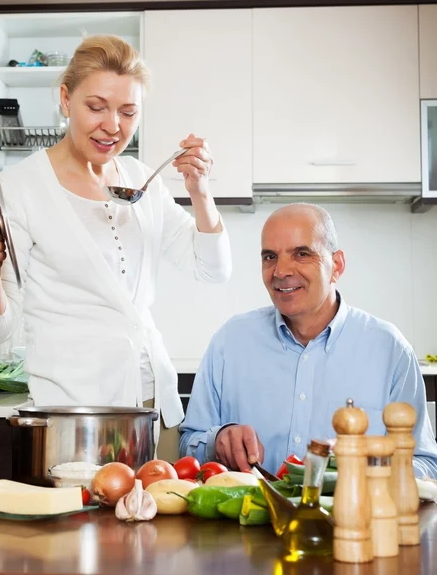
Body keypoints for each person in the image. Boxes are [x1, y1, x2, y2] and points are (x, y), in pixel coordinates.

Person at [0, 34, 231, 461]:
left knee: (153, 526)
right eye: (96, 107)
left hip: (151, 406)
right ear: (66, 99)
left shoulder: (142, 178)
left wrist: (200, 190)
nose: (113, 126)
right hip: (71, 415)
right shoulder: (20, 189)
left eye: (129, 112)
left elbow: (212, 268)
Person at [179, 203, 437, 478]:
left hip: (352, 518)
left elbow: (426, 464)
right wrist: (218, 440)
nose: (280, 271)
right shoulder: (229, 342)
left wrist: (366, 467)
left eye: (301, 254)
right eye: (270, 257)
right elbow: (188, 446)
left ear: (336, 265)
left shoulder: (391, 350)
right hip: (247, 517)